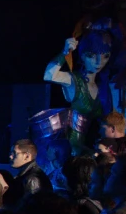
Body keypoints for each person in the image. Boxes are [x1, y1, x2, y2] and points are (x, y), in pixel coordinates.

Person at [43, 18, 118, 156]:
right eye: (91, 56)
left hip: (96, 149)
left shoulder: (103, 86)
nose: (98, 62)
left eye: (105, 56)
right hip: (71, 152)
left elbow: (111, 120)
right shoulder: (74, 80)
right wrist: (64, 53)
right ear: (82, 56)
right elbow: (49, 75)